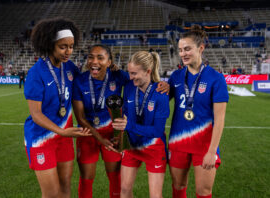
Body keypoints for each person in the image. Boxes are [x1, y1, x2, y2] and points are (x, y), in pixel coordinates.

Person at [72, 45, 169, 198]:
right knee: (98, 182)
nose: (94, 61)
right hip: (99, 136)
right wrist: (106, 137)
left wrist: (166, 85)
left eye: (100, 58)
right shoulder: (82, 80)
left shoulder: (125, 78)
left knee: (122, 182)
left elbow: (144, 80)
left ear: (109, 62)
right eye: (91, 57)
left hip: (130, 140)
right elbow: (80, 117)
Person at [23, 17, 91, 198]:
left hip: (64, 139)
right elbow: (36, 114)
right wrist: (62, 132)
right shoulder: (35, 73)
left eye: (71, 46)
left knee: (65, 189)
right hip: (41, 139)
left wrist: (109, 68)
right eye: (63, 46)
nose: (69, 51)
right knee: (52, 194)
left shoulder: (69, 67)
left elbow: (87, 83)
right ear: (49, 44)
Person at [167, 25, 229, 198]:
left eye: (187, 49)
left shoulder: (216, 78)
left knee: (204, 192)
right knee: (178, 187)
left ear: (201, 48)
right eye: (180, 50)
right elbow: (160, 103)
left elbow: (220, 118)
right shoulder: (175, 76)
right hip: (178, 142)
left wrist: (212, 151)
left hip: (204, 145)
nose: (183, 54)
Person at [112, 51, 170, 198]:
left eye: (134, 73)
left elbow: (157, 131)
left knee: (155, 196)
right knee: (124, 190)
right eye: (129, 73)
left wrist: (129, 126)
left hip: (154, 147)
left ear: (148, 71)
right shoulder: (130, 85)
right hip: (131, 145)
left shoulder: (161, 93)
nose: (130, 77)